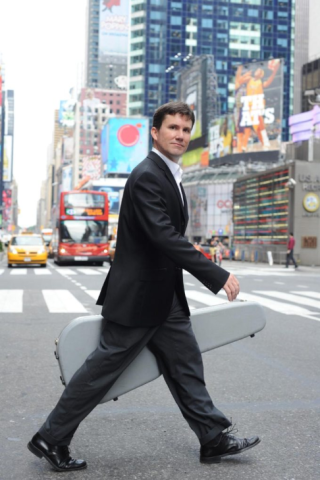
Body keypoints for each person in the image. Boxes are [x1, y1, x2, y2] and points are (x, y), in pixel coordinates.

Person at [27, 102, 260, 472]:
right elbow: (163, 235)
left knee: (185, 364)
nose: (181, 135)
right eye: (173, 128)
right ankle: (51, 437)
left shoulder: (168, 173)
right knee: (101, 371)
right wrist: (215, 274)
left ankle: (212, 437)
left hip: (163, 297)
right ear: (155, 132)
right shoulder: (148, 174)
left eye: (186, 129)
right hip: (139, 298)